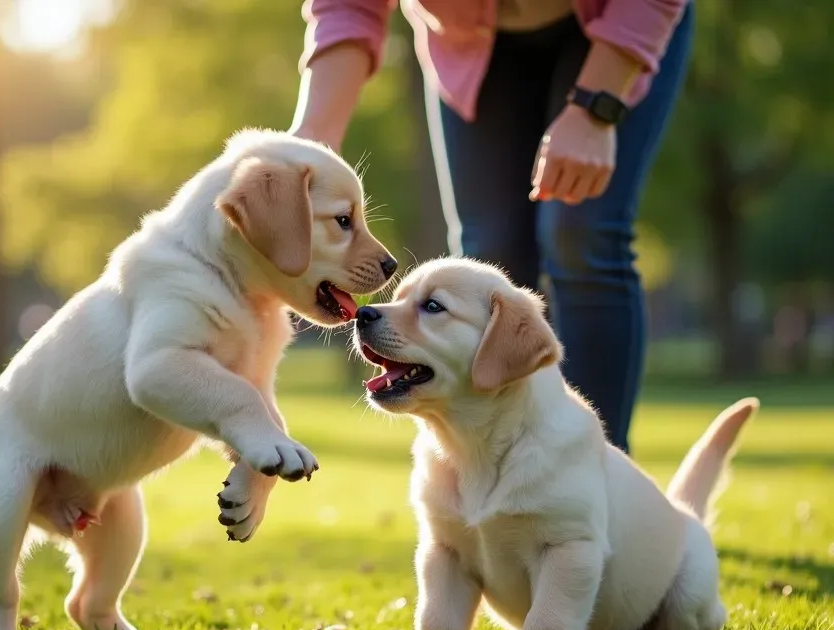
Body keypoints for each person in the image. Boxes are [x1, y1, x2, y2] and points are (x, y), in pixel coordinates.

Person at [290, 0, 693, 454]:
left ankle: (598, 480)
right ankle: (487, 482)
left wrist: (594, 109)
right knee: (488, 258)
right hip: (469, 44)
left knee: (580, 235)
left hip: (617, 20)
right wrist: (313, 139)